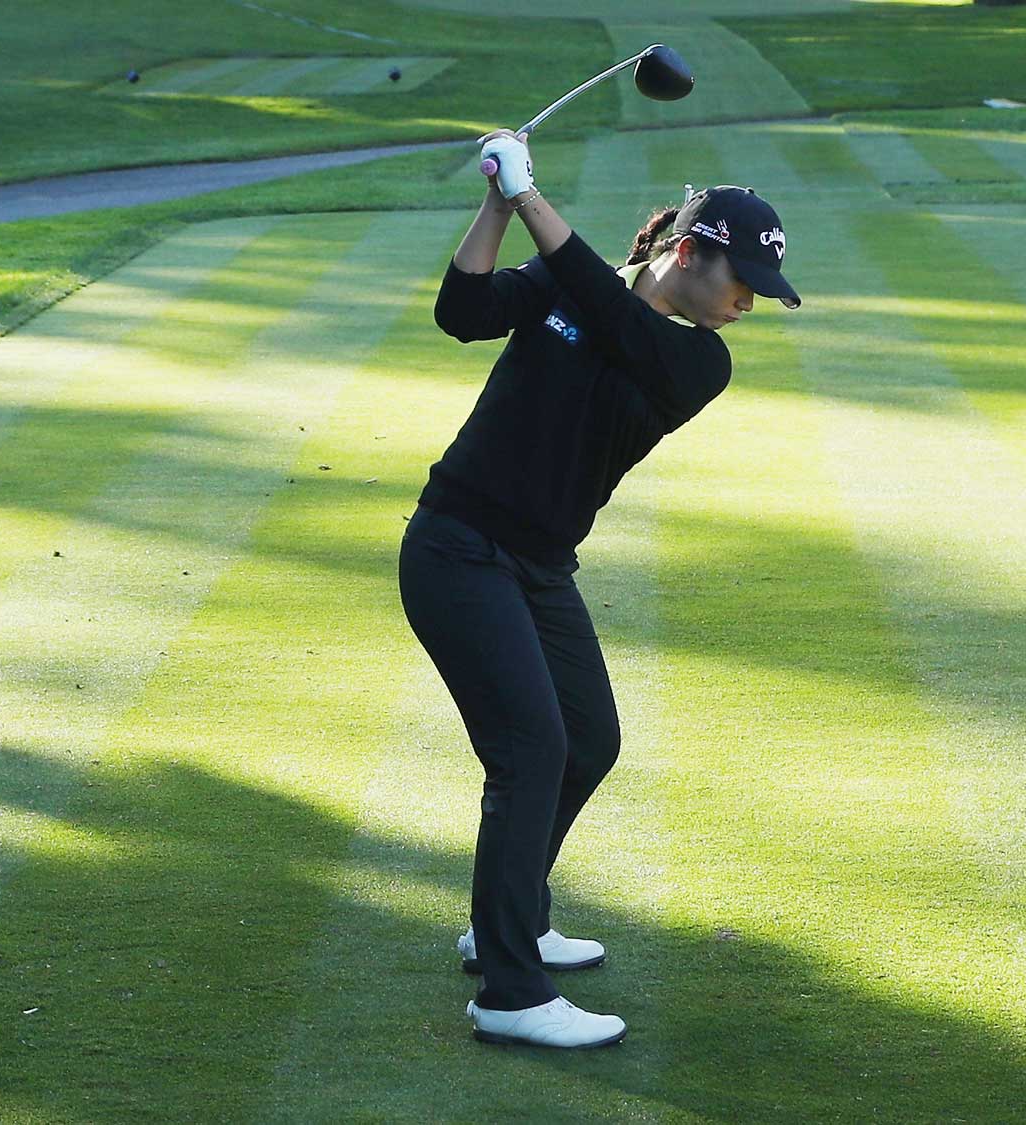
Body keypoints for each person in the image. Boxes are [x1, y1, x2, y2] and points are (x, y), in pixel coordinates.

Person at [399, 127, 800, 1050]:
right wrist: (498, 205)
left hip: (536, 562)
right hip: (457, 546)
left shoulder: (700, 359)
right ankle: (508, 987)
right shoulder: (571, 288)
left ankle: (508, 917)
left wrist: (533, 194)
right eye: (742, 281)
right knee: (533, 747)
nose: (749, 303)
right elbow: (462, 312)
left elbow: (615, 318)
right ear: (689, 252)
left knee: (588, 739)